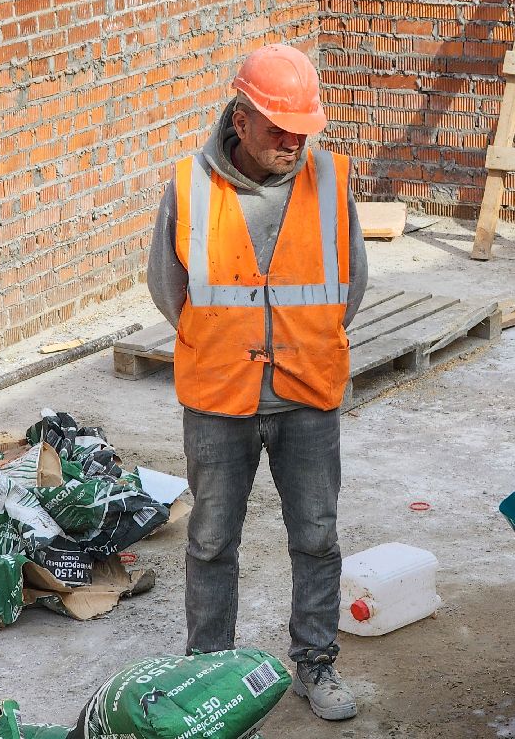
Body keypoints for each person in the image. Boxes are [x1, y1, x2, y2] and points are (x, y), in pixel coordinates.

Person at [148, 42, 366, 721]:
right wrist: (228, 342)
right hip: (219, 401)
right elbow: (168, 289)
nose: (292, 142)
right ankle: (208, 672)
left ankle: (316, 664)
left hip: (307, 395)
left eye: (302, 129)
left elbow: (350, 284)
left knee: (318, 536)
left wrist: (300, 341)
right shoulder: (188, 187)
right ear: (239, 119)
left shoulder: (330, 181)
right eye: (277, 127)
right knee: (212, 541)